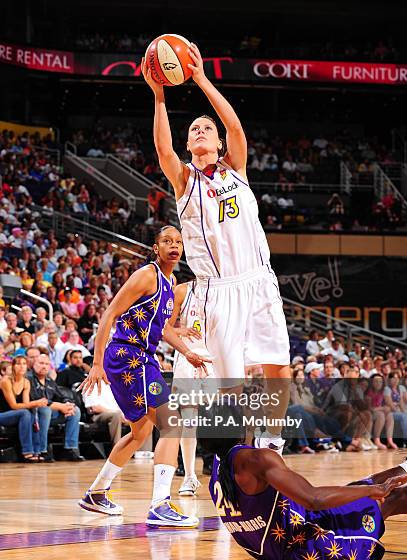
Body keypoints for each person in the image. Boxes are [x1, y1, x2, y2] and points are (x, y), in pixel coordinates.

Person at [142, 44, 290, 453]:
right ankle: (236, 456)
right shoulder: (184, 180)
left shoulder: (236, 169)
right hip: (218, 291)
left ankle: (273, 443)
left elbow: (237, 128)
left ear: (220, 142)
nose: (200, 131)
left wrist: (202, 79)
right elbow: (163, 150)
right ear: (189, 145)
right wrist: (159, 95)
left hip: (258, 279)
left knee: (279, 364)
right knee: (230, 386)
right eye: (194, 130)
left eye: (207, 128)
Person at [78, 226, 210, 527]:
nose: (174, 246)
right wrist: (96, 362)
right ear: (156, 247)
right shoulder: (147, 275)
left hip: (143, 358)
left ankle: (96, 493)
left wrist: (187, 352)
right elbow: (109, 314)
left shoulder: (171, 282)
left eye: (178, 241)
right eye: (167, 241)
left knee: (139, 433)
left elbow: (163, 330)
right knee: (171, 423)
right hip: (128, 357)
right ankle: (160, 504)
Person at [199, 403, 407, 560]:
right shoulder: (256, 459)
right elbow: (313, 499)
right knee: (390, 497)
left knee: (357, 488)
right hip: (308, 546)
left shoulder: (219, 469)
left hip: (273, 552)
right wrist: (374, 491)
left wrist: (368, 488)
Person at [167, 279, 216, 495]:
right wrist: (180, 330)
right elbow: (164, 327)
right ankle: (189, 477)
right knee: (189, 421)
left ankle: (222, 473)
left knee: (221, 422)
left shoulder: (225, 289)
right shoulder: (182, 290)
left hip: (215, 359)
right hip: (188, 357)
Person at [29, 353, 84, 461]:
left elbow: (61, 396)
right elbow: (35, 399)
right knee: (45, 410)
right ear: (34, 364)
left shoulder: (50, 381)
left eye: (46, 364)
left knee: (75, 410)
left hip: (51, 414)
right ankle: (42, 450)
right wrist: (59, 406)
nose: (44, 366)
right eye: (40, 363)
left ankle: (70, 449)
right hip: (34, 414)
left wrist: (67, 403)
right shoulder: (29, 379)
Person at [0, 356, 49, 462]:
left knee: (31, 412)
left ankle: (37, 451)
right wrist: (36, 402)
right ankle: (27, 452)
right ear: (13, 366)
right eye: (18, 364)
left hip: (16, 414)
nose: (21, 366)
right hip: (2, 414)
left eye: (24, 364)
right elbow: (13, 405)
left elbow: (26, 404)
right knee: (25, 413)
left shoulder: (26, 382)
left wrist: (36, 404)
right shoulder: (6, 381)